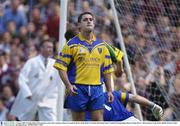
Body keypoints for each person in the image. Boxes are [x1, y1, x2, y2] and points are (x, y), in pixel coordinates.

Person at [54, 12, 114, 121]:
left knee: (98, 121)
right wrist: (68, 85)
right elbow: (61, 67)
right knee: (78, 122)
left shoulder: (102, 46)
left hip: (97, 88)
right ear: (79, 25)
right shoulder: (71, 45)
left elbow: (107, 70)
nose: (89, 21)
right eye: (85, 19)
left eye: (91, 19)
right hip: (78, 89)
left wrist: (109, 90)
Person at [10, 39, 62, 121]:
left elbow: (58, 82)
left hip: (47, 100)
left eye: (51, 47)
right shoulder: (32, 62)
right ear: (41, 48)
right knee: (24, 121)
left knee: (51, 122)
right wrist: (27, 93)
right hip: (31, 97)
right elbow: (22, 78)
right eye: (48, 47)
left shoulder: (55, 64)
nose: (50, 49)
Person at [85, 90, 163, 121]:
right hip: (132, 120)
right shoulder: (112, 94)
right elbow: (134, 97)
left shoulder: (86, 111)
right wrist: (153, 105)